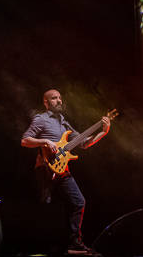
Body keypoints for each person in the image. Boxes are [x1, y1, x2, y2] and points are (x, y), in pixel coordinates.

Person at [21, 89, 111, 255]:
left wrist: (103, 132)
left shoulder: (64, 123)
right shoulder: (41, 119)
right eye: (54, 98)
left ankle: (74, 244)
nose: (59, 101)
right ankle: (40, 247)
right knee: (46, 208)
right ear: (46, 102)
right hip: (45, 169)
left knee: (78, 202)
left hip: (63, 170)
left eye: (60, 98)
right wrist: (45, 141)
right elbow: (25, 140)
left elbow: (84, 143)